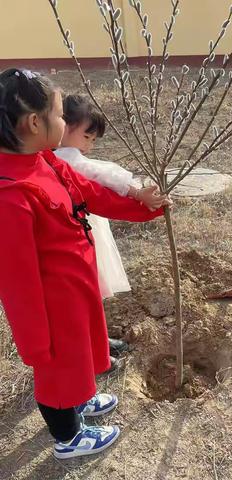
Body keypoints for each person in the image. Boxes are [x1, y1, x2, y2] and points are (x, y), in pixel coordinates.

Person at [0, 68, 170, 459]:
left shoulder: (43, 160)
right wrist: (35, 342)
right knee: (57, 370)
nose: (64, 122)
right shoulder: (10, 196)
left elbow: (88, 194)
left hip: (75, 286)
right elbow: (17, 281)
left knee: (78, 356)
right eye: (60, 115)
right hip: (52, 306)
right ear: (33, 122)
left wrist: (143, 207)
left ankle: (78, 399)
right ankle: (67, 436)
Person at [56, 94, 165, 368]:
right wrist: (137, 191)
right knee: (86, 300)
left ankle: (99, 344)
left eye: (93, 140)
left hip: (79, 233)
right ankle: (95, 355)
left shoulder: (58, 155)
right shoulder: (66, 158)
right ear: (65, 126)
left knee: (89, 299)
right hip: (78, 236)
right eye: (87, 137)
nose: (89, 146)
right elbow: (102, 175)